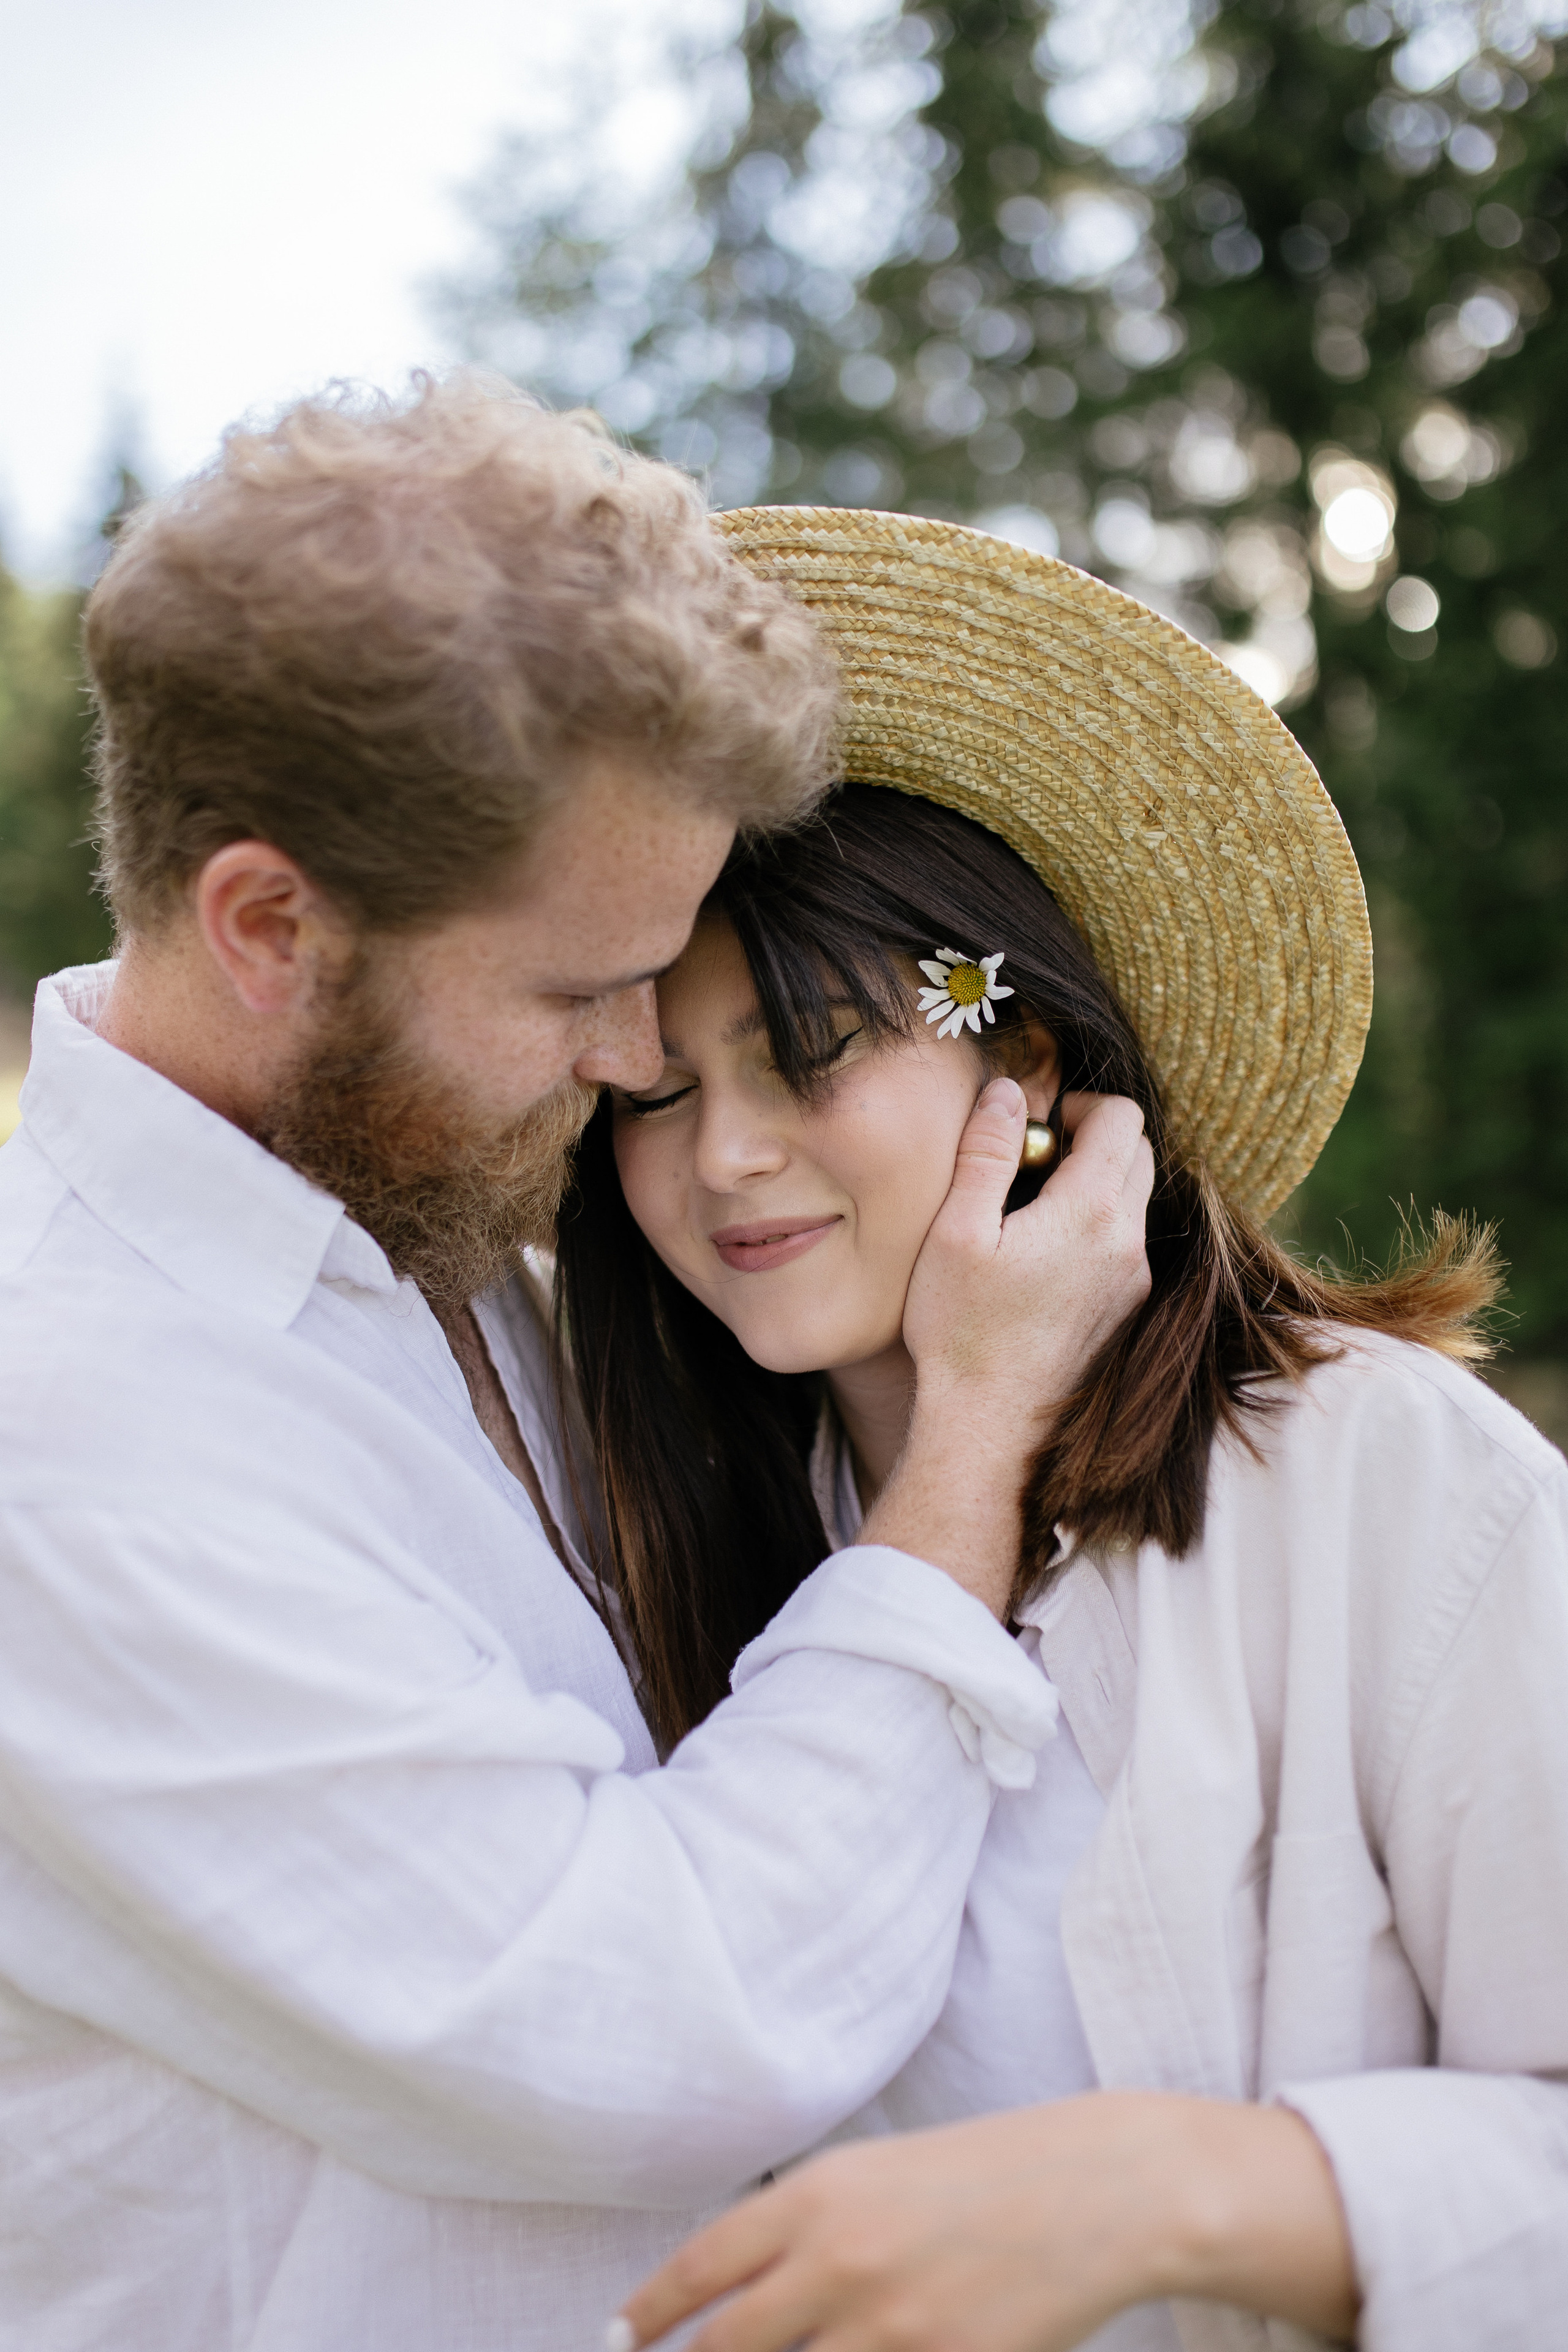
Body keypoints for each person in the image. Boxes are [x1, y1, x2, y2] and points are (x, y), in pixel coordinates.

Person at [0, 388, 1156, 2351]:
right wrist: (970, 1440)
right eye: (578, 987)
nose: (639, 1057)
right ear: (271, 925)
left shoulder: (433, 1238)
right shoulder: (81, 1434)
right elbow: (663, 2020)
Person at [549, 511, 1568, 2352]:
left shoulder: (1389, 1482)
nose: (724, 1157)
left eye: (810, 1051)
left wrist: (1165, 2194)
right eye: (663, 1092)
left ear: (1022, 1077)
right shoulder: (661, 1549)